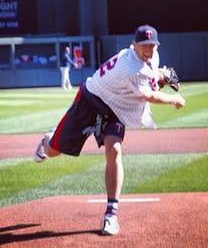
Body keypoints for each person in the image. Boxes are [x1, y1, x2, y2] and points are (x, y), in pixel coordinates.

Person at [34, 25, 185, 235]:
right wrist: (173, 98)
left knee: (114, 149)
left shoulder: (151, 57)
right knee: (53, 150)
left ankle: (111, 214)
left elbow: (150, 74)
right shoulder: (130, 67)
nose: (148, 49)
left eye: (152, 45)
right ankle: (47, 139)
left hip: (116, 108)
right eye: (143, 45)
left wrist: (161, 74)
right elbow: (149, 95)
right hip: (90, 100)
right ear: (134, 45)